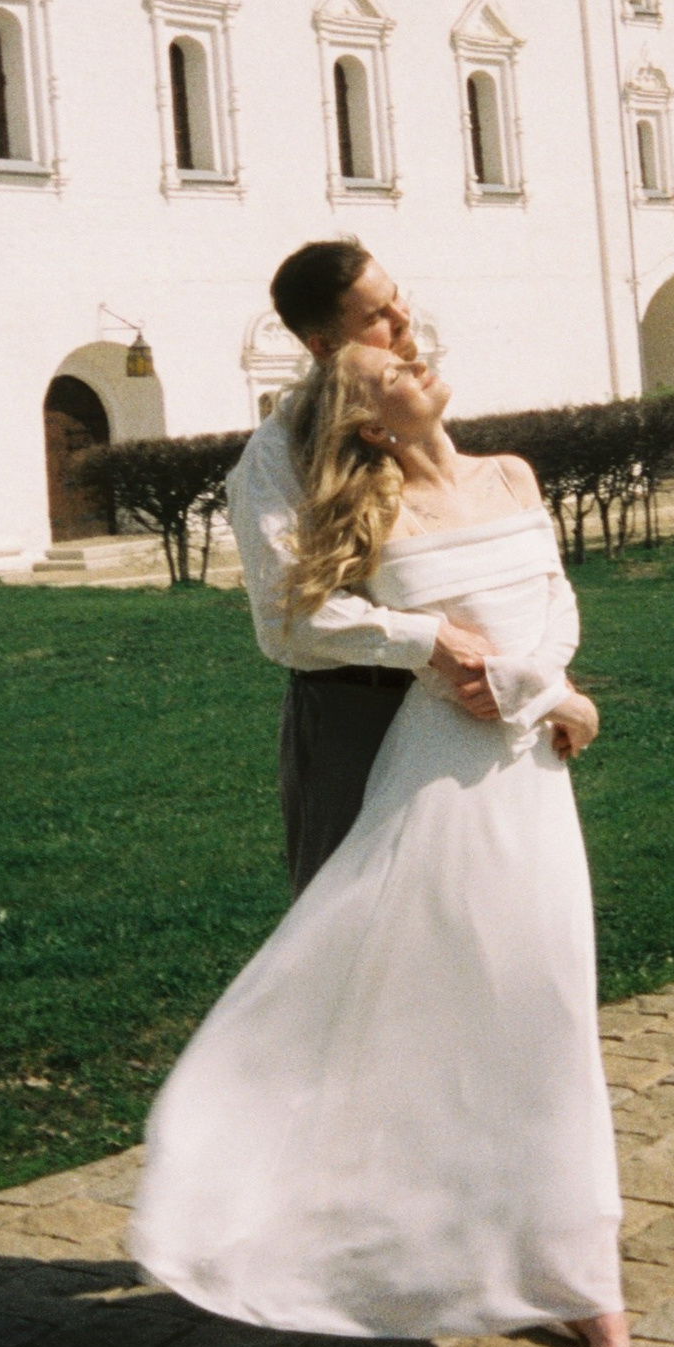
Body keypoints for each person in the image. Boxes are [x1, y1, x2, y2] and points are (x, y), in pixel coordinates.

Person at [130, 331, 650, 1347]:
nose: (419, 366)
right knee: (434, 1016)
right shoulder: (370, 515)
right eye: (391, 376)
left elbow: (551, 606)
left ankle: (584, 1291)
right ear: (370, 422)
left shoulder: (510, 475)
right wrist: (485, 673)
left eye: (412, 357)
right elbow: (306, 623)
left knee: (548, 1019)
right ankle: (507, 1271)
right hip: (435, 778)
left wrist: (546, 692)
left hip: (528, 785)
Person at [228, 242, 503, 899]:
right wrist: (430, 641)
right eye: (378, 316)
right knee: (351, 924)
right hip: (355, 715)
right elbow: (287, 620)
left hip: (457, 708)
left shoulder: (413, 415)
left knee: (462, 909)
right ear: (323, 347)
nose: (404, 321)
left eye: (397, 296)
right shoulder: (276, 457)